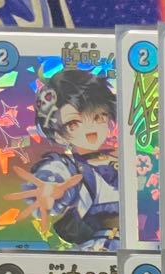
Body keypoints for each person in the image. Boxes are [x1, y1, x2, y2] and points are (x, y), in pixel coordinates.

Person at [11, 68, 119, 250]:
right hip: (102, 248)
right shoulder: (70, 167)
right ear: (58, 134)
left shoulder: (124, 156)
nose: (90, 127)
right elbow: (56, 175)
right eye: (74, 123)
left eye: (98, 116)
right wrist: (50, 189)